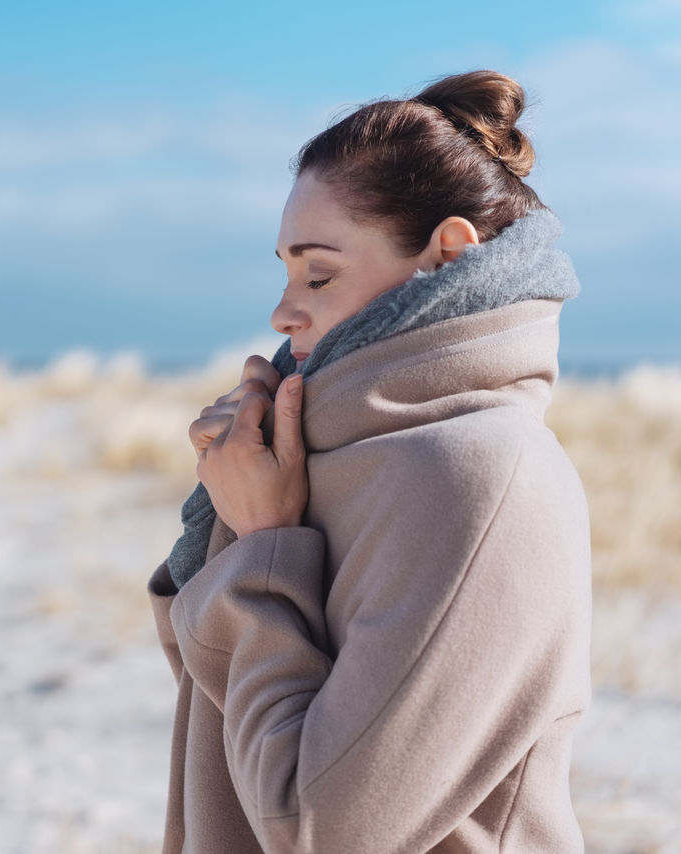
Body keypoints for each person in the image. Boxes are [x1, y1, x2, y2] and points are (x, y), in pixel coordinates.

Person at [147, 70, 590, 853]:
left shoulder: (483, 477)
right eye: (286, 271)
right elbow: (217, 711)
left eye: (318, 274)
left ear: (448, 255)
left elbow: (321, 830)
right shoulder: (322, 448)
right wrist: (225, 511)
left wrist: (262, 547)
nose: (283, 312)